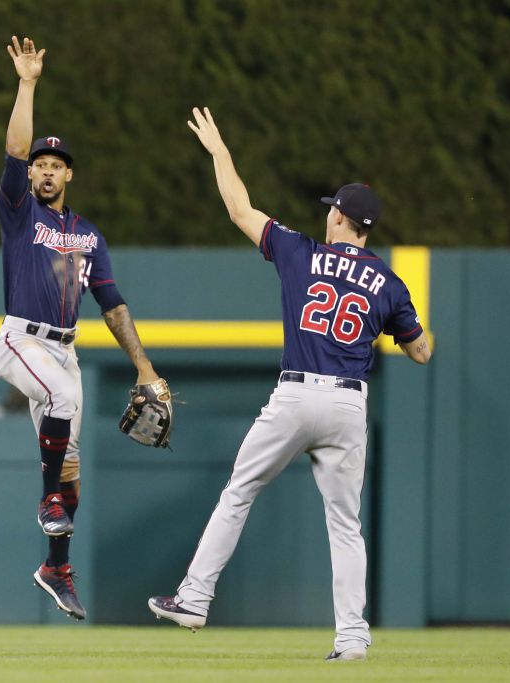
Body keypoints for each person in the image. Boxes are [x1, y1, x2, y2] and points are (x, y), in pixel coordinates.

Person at [148, 107, 432, 661]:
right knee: (345, 525)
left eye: (333, 211)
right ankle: (352, 640)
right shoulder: (389, 282)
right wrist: (405, 329)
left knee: (239, 492)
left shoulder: (302, 253)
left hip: (297, 394)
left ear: (339, 219)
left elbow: (238, 208)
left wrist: (219, 152)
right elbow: (420, 352)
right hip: (350, 405)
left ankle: (195, 597)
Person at [0, 36, 165, 621]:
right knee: (61, 406)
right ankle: (48, 498)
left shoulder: (88, 235)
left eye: (57, 165)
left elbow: (111, 304)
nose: (46, 171)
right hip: (18, 339)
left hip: (64, 349)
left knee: (73, 468)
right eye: (40, 164)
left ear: (70, 176)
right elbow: (11, 149)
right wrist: (27, 84)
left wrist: (144, 366)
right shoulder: (19, 211)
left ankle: (55, 564)